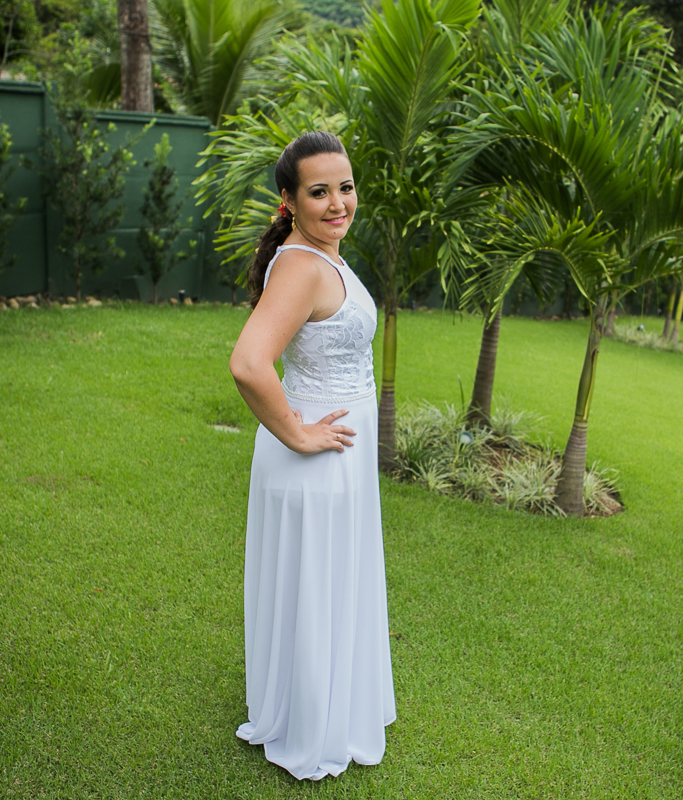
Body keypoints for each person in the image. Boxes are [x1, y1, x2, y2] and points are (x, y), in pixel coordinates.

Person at [229, 131, 395, 780]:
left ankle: (325, 707)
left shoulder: (323, 255)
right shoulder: (301, 266)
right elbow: (249, 363)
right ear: (289, 201)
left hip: (337, 457)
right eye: (319, 192)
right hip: (316, 457)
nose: (337, 203)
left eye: (345, 188)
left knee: (326, 586)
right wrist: (297, 435)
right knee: (316, 589)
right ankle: (311, 724)